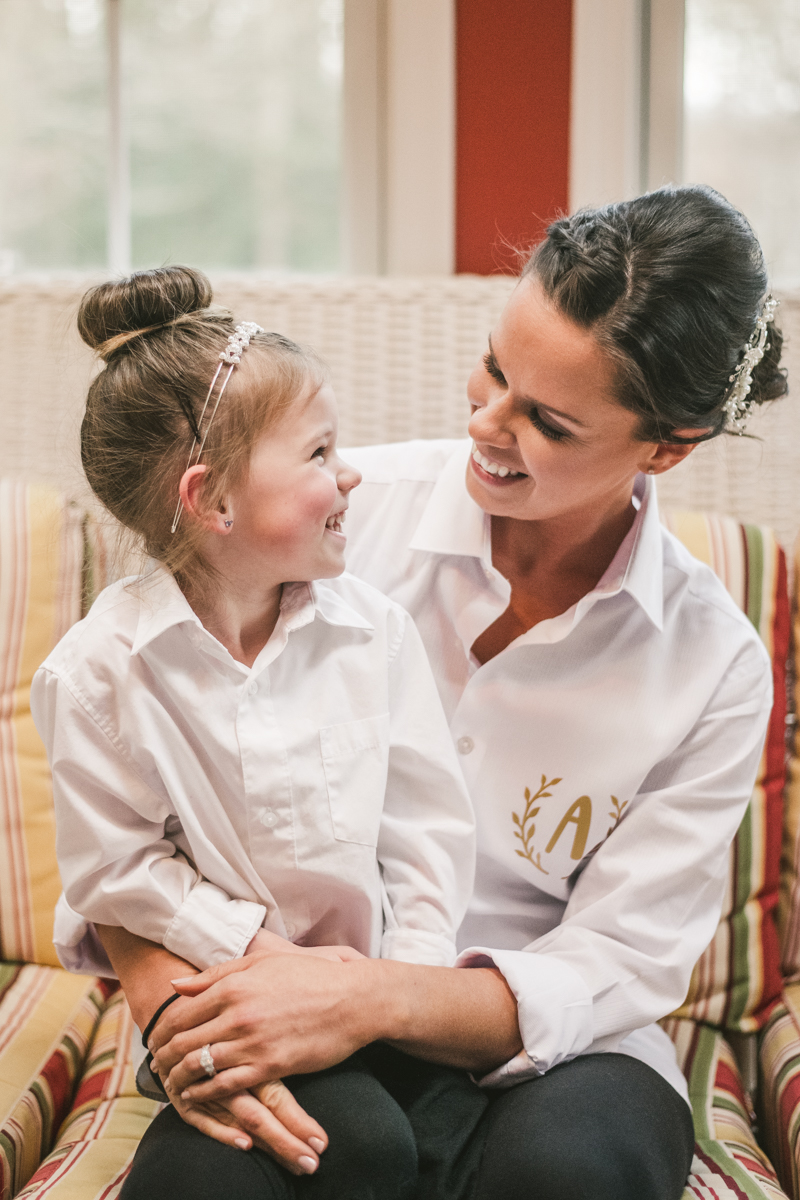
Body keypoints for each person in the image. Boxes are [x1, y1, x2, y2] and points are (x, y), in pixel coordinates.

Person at [89, 186, 787, 1200]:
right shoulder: (319, 516)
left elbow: (614, 961)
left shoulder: (712, 665)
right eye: (494, 368)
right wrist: (174, 1015)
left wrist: (379, 1000)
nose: (485, 422)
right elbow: (121, 801)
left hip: (555, 1060)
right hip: (287, 1011)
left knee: (567, 1178)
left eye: (544, 420)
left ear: (665, 446)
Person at [30, 267, 479, 1200]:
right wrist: (255, 956)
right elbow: (116, 872)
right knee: (335, 1146)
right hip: (223, 1005)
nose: (350, 472)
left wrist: (396, 994)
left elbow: (429, 836)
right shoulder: (98, 673)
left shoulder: (374, 633)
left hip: (382, 1003)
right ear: (212, 501)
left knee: (405, 1143)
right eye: (318, 453)